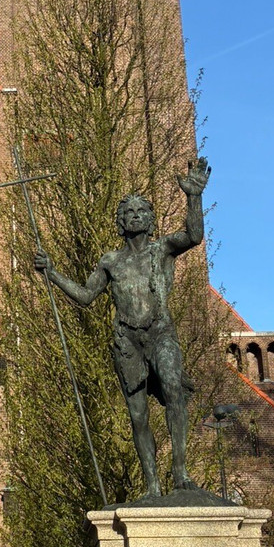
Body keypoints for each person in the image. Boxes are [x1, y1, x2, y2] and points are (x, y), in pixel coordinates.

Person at [34, 158, 210, 500]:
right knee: (138, 415)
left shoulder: (163, 249)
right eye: (128, 212)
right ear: (120, 222)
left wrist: (194, 198)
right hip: (126, 340)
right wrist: (52, 273)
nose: (134, 216)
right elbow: (86, 296)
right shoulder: (110, 261)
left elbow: (194, 235)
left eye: (141, 211)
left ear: (150, 219)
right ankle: (152, 485)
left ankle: (181, 473)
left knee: (174, 388)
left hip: (160, 333)